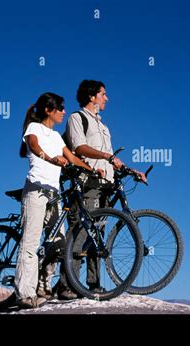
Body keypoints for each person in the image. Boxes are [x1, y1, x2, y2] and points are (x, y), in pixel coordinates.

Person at [64, 80, 146, 293]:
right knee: (81, 233)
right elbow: (78, 146)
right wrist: (107, 156)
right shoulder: (77, 118)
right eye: (103, 94)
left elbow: (111, 159)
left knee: (97, 236)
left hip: (106, 185)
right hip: (87, 182)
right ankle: (67, 287)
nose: (107, 98)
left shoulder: (103, 126)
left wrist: (132, 171)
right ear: (92, 97)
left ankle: (93, 285)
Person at [15, 92, 94, 309]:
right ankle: (25, 293)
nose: (64, 111)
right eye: (60, 108)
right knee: (30, 243)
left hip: (53, 194)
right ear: (48, 110)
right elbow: (33, 145)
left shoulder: (57, 137)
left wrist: (94, 171)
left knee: (58, 243)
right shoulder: (34, 129)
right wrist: (49, 159)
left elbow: (72, 158)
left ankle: (42, 284)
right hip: (36, 191)